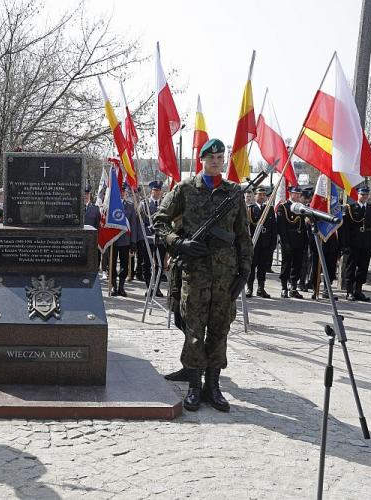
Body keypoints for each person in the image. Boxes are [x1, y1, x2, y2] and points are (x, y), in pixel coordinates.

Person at [153, 138, 252, 413]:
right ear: (202, 160)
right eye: (211, 158)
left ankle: (213, 386)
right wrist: (177, 242)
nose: (216, 162)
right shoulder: (185, 189)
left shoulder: (233, 192)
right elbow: (159, 220)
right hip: (194, 273)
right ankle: (195, 386)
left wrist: (245, 271)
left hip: (225, 275)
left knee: (220, 329)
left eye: (220, 158)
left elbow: (243, 235)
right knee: (194, 330)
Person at [340, 186, 371, 302]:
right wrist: (345, 244)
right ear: (358, 195)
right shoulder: (350, 208)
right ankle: (349, 291)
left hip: (366, 242)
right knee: (351, 267)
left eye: (366, 195)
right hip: (353, 242)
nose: (364, 197)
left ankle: (358, 290)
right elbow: (345, 228)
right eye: (362, 195)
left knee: (363, 267)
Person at [277, 185, 307, 298]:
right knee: (286, 265)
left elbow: (303, 226)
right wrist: (285, 242)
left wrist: (305, 241)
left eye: (299, 194)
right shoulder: (284, 207)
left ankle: (293, 288)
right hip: (288, 240)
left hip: (299, 240)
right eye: (296, 194)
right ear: (291, 194)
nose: (298, 196)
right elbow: (282, 227)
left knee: (297, 265)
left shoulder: (302, 207)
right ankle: (284, 288)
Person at [246, 187, 277, 298]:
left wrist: (273, 244)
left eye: (264, 194)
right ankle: (249, 288)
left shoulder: (270, 209)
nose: (262, 196)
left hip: (265, 243)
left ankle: (261, 288)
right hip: (254, 243)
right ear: (255, 196)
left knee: (263, 267)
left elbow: (274, 227)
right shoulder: (250, 209)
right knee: (251, 267)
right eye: (260, 194)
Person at [110, 184, 137, 297]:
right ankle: (113, 286)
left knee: (124, 264)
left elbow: (133, 225)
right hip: (113, 241)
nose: (122, 193)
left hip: (125, 240)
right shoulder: (111, 205)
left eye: (123, 191)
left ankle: (121, 286)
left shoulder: (130, 206)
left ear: (126, 192)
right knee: (112, 265)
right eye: (120, 191)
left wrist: (133, 242)